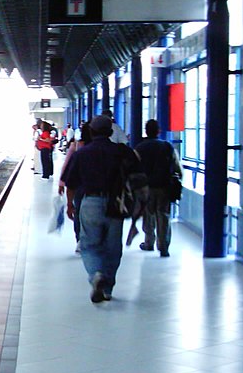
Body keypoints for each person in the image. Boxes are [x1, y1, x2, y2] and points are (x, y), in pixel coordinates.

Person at [63, 114, 143, 303]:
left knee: (89, 245)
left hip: (90, 201)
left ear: (91, 131)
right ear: (110, 131)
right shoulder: (123, 152)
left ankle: (96, 275)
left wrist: (70, 204)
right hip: (117, 203)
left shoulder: (82, 154)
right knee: (113, 247)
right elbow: (138, 178)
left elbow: (71, 183)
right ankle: (107, 288)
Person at [134, 119, 182, 257]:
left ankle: (149, 242)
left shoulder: (140, 148)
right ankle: (163, 246)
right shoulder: (167, 146)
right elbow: (177, 166)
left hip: (145, 187)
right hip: (164, 186)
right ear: (158, 131)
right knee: (163, 215)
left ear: (146, 131)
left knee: (148, 215)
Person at [59, 122, 92, 251]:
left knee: (79, 213)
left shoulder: (78, 150)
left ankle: (80, 240)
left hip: (80, 188)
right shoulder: (111, 150)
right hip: (100, 191)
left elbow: (68, 169)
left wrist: (68, 203)